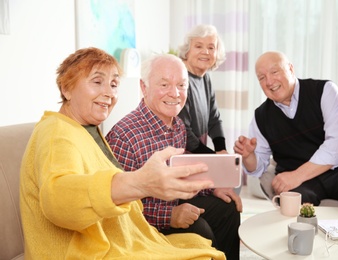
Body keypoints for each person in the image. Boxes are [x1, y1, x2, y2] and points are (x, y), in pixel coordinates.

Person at [19, 47, 226, 260]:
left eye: (114, 84)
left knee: (202, 243)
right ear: (67, 88)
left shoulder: (86, 130)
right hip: (85, 252)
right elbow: (57, 198)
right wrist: (138, 183)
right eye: (97, 82)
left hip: (123, 240)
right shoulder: (56, 131)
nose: (109, 93)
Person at [106, 53, 242, 260]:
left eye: (181, 85)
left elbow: (183, 172)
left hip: (174, 202)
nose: (175, 93)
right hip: (144, 222)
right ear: (144, 87)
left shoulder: (177, 124)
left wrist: (213, 187)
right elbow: (117, 207)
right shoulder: (124, 136)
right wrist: (169, 217)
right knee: (200, 228)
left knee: (227, 208)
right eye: (164, 85)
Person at [234, 51, 338, 213]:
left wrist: (296, 176)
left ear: (290, 69)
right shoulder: (261, 116)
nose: (269, 81)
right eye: (261, 77)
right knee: (291, 205)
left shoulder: (325, 91)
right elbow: (257, 168)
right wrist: (248, 157)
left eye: (275, 72)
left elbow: (337, 146)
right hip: (300, 182)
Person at [177, 24, 227, 154]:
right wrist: (213, 157)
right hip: (181, 154)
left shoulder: (205, 78)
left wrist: (221, 150)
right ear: (187, 51)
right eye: (198, 46)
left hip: (197, 152)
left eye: (211, 47)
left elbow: (214, 118)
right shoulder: (180, 78)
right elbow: (183, 131)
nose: (205, 52)